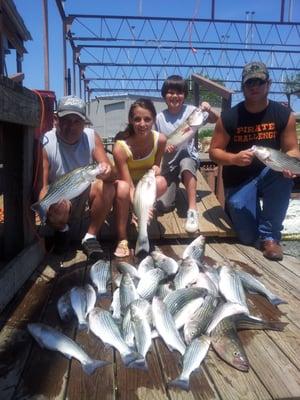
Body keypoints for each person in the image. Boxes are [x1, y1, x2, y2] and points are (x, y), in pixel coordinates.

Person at [209, 61, 300, 261]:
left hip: (270, 173)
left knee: (282, 177)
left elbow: (293, 149)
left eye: (259, 82)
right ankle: (256, 232)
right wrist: (234, 158)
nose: (254, 87)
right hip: (239, 180)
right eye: (250, 83)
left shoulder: (284, 115)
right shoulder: (229, 117)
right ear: (243, 87)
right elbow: (214, 152)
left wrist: (290, 163)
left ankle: (270, 238)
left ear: (269, 84)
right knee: (247, 236)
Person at [37, 95, 115, 260]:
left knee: (107, 185)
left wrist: (107, 172)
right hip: (60, 198)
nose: (71, 126)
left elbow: (111, 172)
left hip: (83, 193)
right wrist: (44, 207)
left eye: (77, 121)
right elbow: (42, 186)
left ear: (84, 122)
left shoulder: (92, 137)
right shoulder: (46, 143)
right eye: (66, 120)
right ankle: (61, 231)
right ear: (56, 119)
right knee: (59, 209)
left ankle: (90, 237)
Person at [155, 75, 219, 233]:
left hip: (187, 157)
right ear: (164, 95)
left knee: (187, 162)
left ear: (184, 95)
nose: (175, 96)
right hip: (168, 164)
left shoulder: (192, 111)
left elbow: (215, 119)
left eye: (179, 92)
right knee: (163, 206)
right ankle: (174, 186)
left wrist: (207, 108)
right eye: (170, 92)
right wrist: (163, 148)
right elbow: (155, 144)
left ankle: (192, 210)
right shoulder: (159, 117)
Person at [112, 98, 167, 257]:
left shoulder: (161, 140)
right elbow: (127, 184)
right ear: (130, 120)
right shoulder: (120, 147)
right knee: (122, 189)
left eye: (147, 119)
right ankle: (122, 238)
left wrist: (157, 169)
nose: (142, 124)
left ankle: (146, 211)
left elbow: (156, 169)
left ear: (154, 120)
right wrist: (135, 207)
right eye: (137, 119)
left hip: (145, 185)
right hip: (127, 184)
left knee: (161, 182)